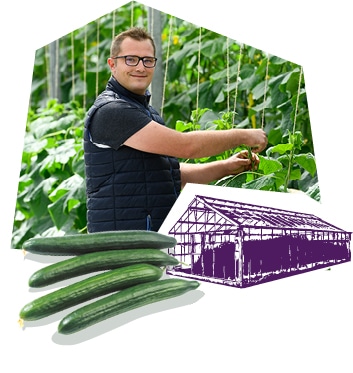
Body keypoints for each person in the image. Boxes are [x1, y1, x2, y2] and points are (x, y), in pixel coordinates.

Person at [83, 27, 268, 233]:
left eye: (147, 60)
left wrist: (226, 166)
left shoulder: (144, 111)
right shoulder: (112, 111)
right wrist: (243, 135)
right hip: (123, 244)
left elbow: (169, 174)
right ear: (112, 64)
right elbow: (186, 147)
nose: (140, 67)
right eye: (130, 59)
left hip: (142, 238)